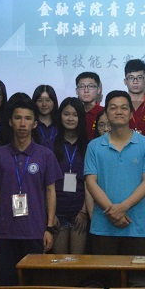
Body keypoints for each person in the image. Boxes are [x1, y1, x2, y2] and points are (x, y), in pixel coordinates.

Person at [0, 98, 61, 286]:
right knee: (6, 284)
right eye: (18, 118)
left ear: (35, 124)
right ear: (10, 122)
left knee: (33, 284)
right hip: (5, 232)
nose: (22, 123)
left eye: (27, 118)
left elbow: (50, 191)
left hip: (35, 230)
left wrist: (49, 228)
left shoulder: (45, 155)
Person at [84, 91, 145, 255]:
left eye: (124, 108)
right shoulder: (94, 146)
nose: (119, 112)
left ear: (131, 113)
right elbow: (91, 183)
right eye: (113, 108)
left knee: (137, 272)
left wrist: (121, 208)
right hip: (103, 227)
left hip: (137, 227)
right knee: (104, 272)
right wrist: (113, 212)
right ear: (106, 113)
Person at [51, 97, 90, 254]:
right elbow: (46, 183)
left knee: (76, 262)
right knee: (59, 263)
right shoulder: (51, 144)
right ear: (60, 116)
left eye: (75, 115)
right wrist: (51, 214)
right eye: (66, 114)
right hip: (57, 212)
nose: (70, 118)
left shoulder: (89, 146)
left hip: (79, 212)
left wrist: (84, 212)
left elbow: (91, 183)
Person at [76, 71, 104, 139]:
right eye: (82, 86)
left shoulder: (104, 113)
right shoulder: (73, 112)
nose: (86, 90)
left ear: (98, 90)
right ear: (76, 91)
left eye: (91, 86)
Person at [32, 84, 59, 150]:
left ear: (54, 102)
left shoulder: (60, 123)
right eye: (40, 100)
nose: (44, 104)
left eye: (48, 100)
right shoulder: (30, 124)